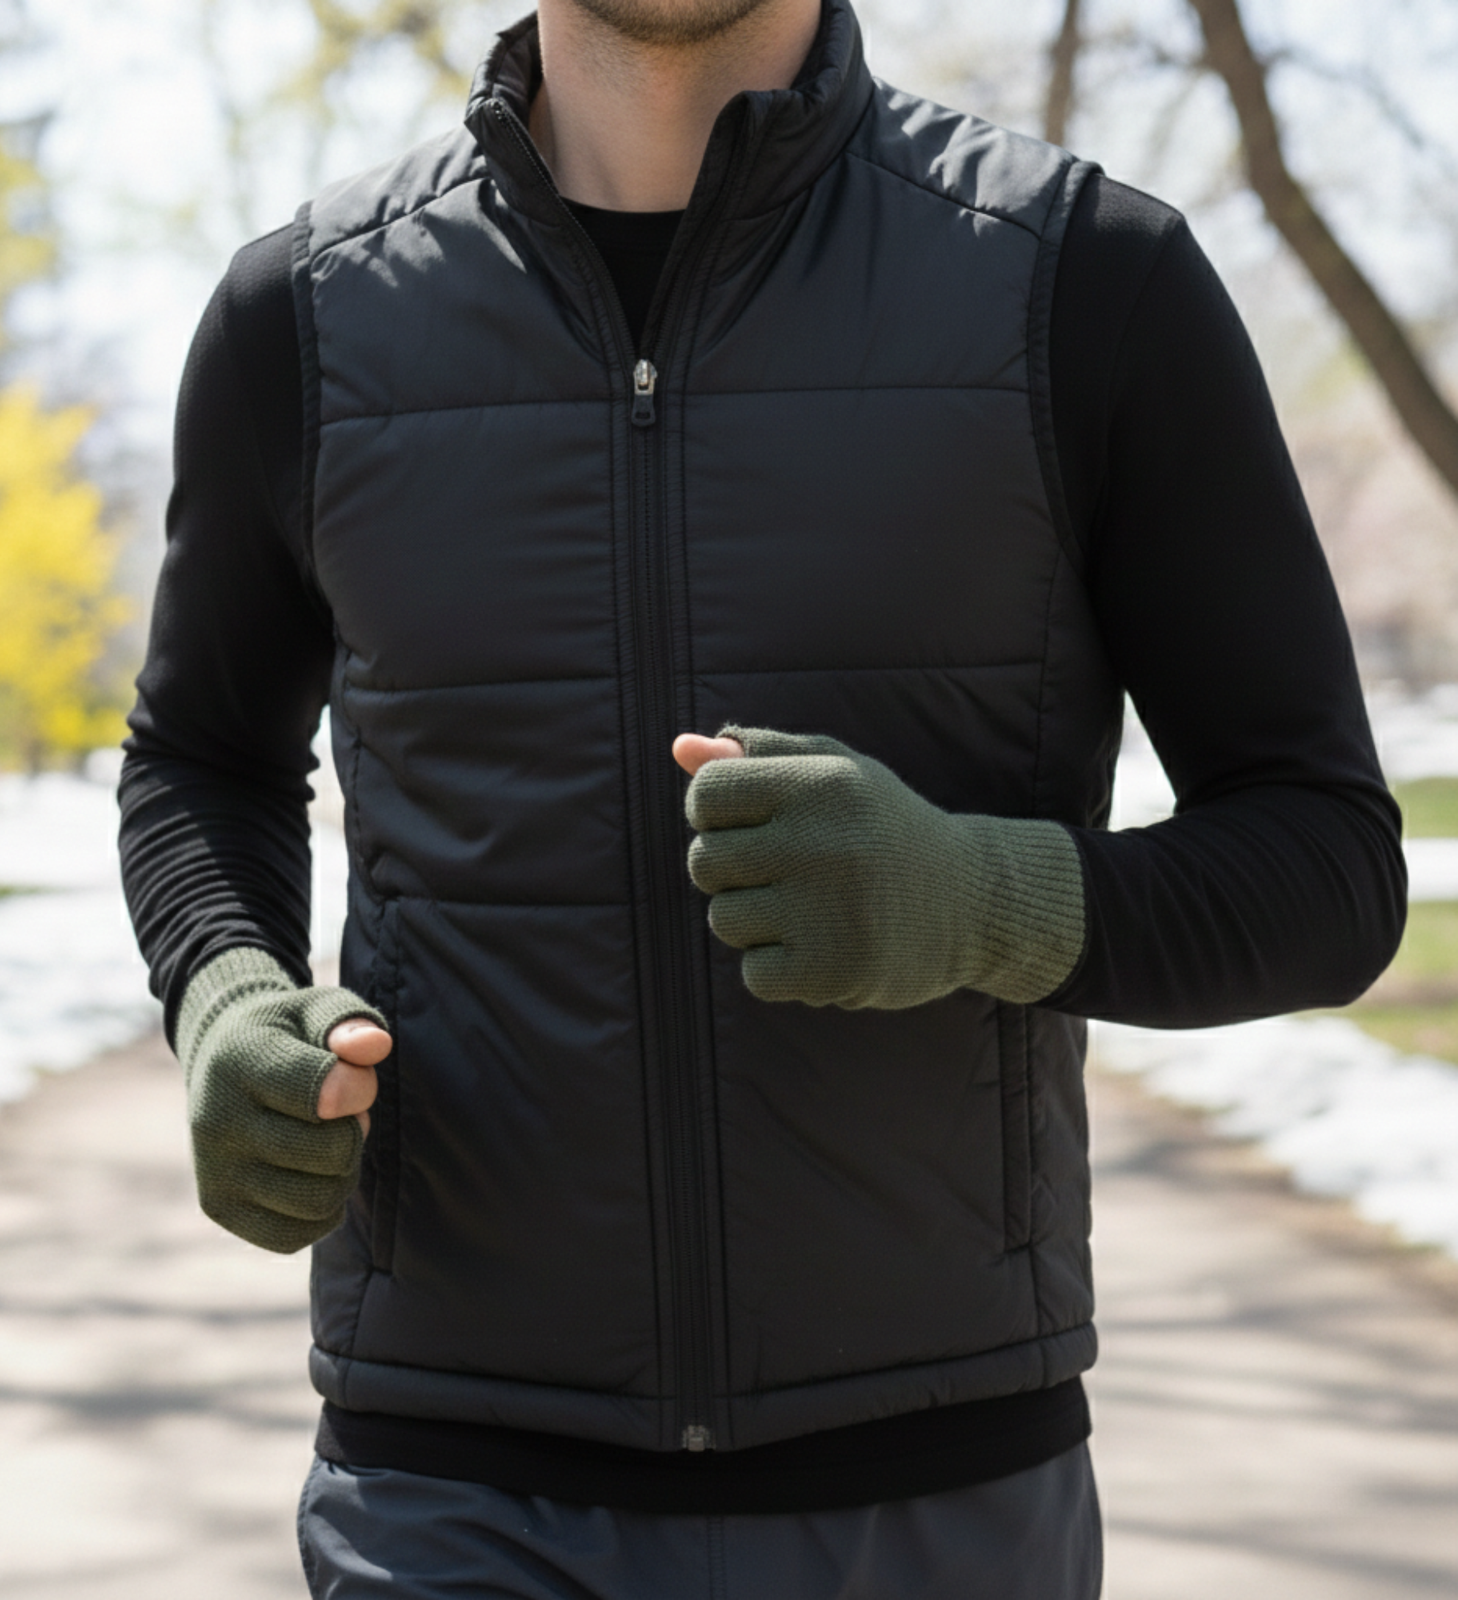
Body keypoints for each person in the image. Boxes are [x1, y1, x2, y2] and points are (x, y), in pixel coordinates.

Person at [118, 0, 1406, 1592]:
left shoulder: (1084, 276)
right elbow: (201, 763)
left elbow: (1326, 864)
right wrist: (227, 992)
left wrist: (978, 901)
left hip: (932, 1496)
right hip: (451, 1486)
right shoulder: (300, 318)